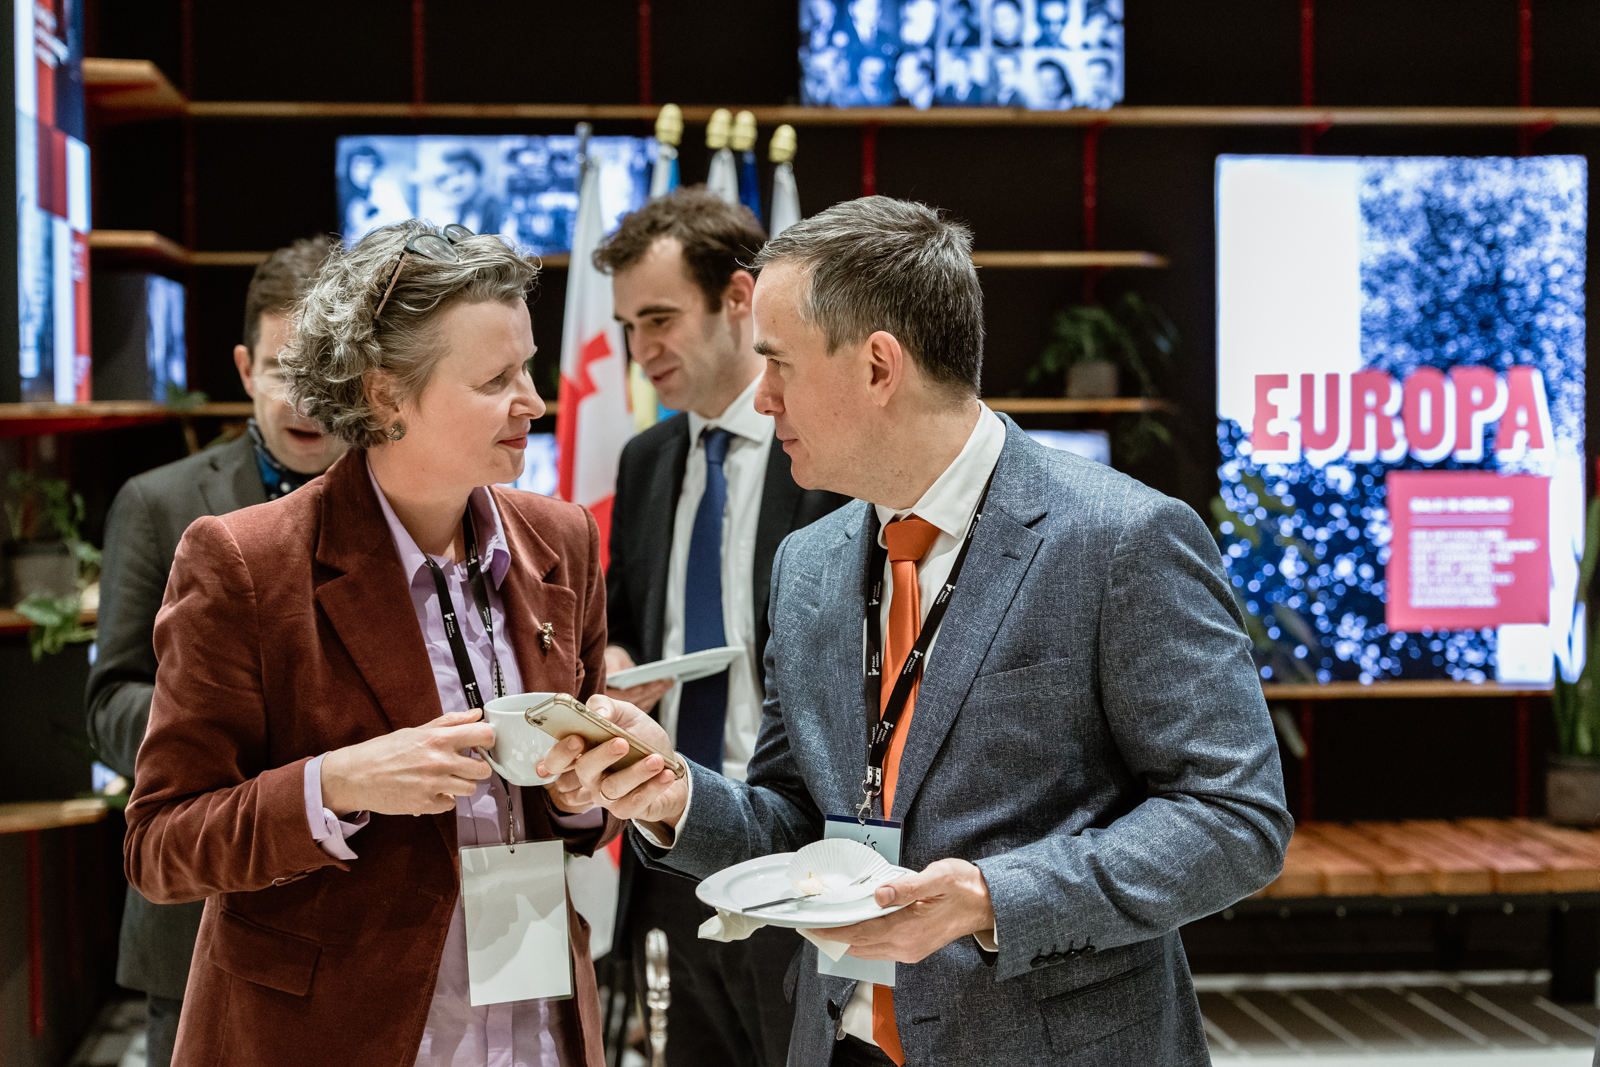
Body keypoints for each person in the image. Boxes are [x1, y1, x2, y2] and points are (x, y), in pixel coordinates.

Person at [541, 197, 1292, 1066]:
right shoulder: (810, 562)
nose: (764, 394)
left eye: (778, 362)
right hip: (841, 1039)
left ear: (877, 366)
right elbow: (796, 819)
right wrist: (672, 792)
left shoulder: (1120, 537)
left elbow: (1235, 816)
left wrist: (993, 897)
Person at [122, 221, 619, 1067]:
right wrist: (337, 783)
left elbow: (574, 818)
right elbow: (160, 844)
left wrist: (586, 786)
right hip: (335, 1036)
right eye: (496, 380)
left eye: (529, 368)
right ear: (386, 394)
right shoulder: (247, 562)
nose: (534, 401)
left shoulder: (561, 540)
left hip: (535, 1026)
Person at [595, 187, 848, 1067]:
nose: (641, 350)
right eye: (629, 326)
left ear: (739, 298)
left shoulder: (826, 451)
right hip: (672, 843)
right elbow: (625, 621)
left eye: (660, 318)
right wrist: (614, 661)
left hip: (799, 850)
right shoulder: (646, 459)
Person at [85, 237, 342, 1067]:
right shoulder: (158, 504)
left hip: (364, 918)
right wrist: (238, 737)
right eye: (282, 369)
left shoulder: (409, 504)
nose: (305, 398)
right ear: (243, 367)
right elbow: (109, 702)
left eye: (326, 369)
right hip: (201, 914)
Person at [435, 147, 504, 236]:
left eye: (461, 172)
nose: (454, 184)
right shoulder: (460, 214)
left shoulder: (499, 211)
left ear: (477, 172)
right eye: (446, 178)